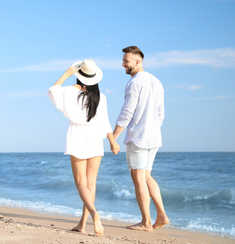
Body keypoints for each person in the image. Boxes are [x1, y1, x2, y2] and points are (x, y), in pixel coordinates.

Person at [48, 59, 120, 236]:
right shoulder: (101, 97)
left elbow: (52, 90)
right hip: (96, 137)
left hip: (78, 135)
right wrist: (112, 141)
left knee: (81, 182)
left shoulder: (71, 92)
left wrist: (67, 73)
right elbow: (105, 122)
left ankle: (95, 215)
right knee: (91, 183)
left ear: (79, 76)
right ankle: (82, 223)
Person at [113, 46, 169, 232]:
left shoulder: (134, 82)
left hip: (138, 137)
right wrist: (152, 128)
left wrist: (114, 138)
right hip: (154, 137)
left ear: (138, 62)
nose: (123, 64)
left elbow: (126, 112)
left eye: (126, 61)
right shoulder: (157, 81)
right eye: (123, 61)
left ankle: (146, 222)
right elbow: (161, 113)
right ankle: (161, 215)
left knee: (138, 179)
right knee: (146, 176)